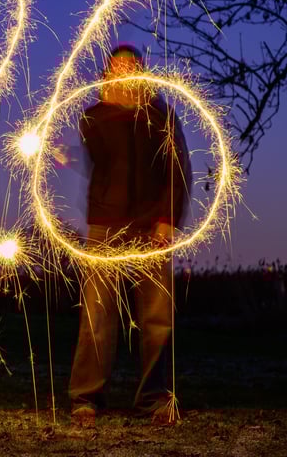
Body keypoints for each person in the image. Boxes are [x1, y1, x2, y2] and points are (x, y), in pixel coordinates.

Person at [68, 44, 191, 427]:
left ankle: (154, 400)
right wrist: (109, 107)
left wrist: (168, 219)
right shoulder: (93, 115)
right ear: (106, 74)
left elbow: (178, 167)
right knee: (96, 315)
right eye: (115, 68)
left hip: (152, 226)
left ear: (142, 72)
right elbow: (100, 157)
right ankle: (85, 397)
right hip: (105, 225)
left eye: (130, 67)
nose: (122, 73)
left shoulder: (161, 113)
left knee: (156, 318)